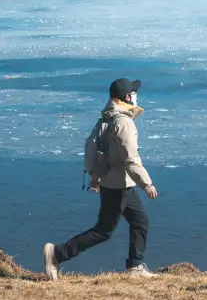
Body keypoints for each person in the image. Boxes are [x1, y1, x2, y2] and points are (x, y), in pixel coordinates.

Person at [43, 78, 158, 280]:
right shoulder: (123, 122)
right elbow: (130, 158)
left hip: (114, 183)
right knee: (104, 231)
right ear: (128, 97)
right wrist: (147, 184)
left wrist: (95, 178)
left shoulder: (105, 118)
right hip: (118, 185)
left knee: (140, 221)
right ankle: (58, 253)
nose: (136, 95)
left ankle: (135, 267)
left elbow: (97, 151)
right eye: (134, 92)